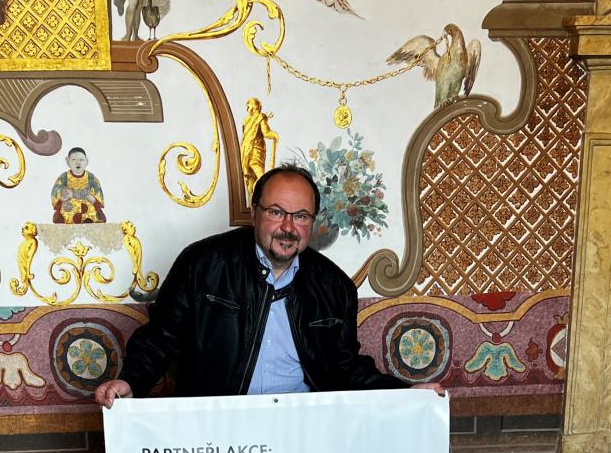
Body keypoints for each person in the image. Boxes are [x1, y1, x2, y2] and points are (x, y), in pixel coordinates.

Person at [94, 164, 443, 407]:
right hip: (218, 422)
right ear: (255, 212)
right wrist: (130, 382)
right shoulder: (202, 264)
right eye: (276, 212)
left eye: (301, 216)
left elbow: (346, 367)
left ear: (312, 222)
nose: (288, 227)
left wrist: (407, 393)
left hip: (301, 422)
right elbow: (159, 339)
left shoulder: (334, 286)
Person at [51, 147, 106, 225]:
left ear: (86, 161)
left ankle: (87, 221)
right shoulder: (64, 177)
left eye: (81, 160)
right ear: (67, 161)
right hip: (69, 203)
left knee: (91, 212)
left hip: (86, 204)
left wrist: (92, 199)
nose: (78, 163)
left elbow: (98, 192)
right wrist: (65, 195)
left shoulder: (91, 178)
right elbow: (56, 190)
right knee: (66, 210)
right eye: (74, 160)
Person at [240, 97, 279, 203]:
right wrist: (275, 135)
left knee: (251, 182)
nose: (247, 108)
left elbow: (246, 136)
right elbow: (266, 133)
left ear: (254, 106)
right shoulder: (260, 117)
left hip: (246, 152)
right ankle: (259, 202)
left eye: (249, 105)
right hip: (255, 152)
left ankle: (252, 206)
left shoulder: (247, 120)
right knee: (262, 179)